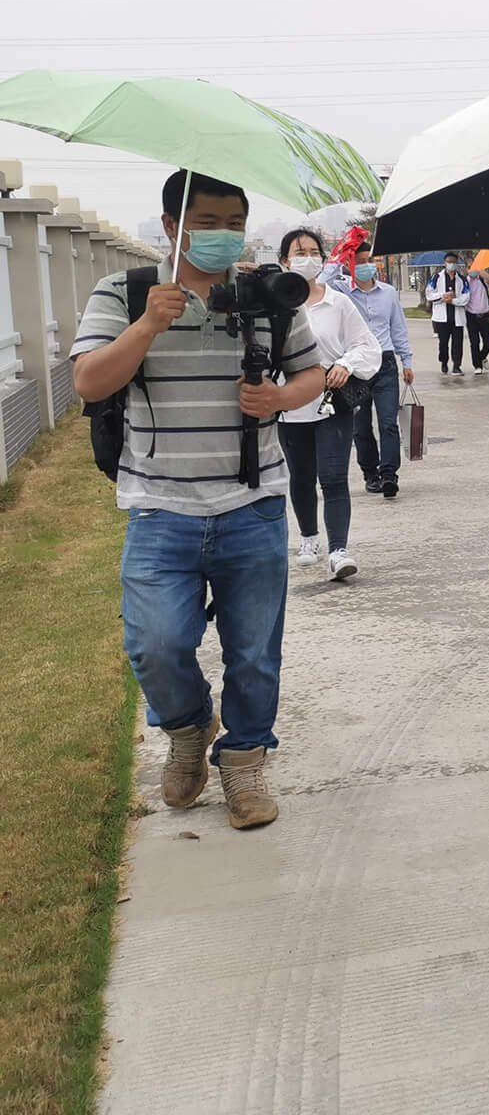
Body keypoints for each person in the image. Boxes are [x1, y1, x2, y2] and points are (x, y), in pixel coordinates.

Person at [71, 170, 324, 831]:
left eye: (231, 223)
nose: (220, 235)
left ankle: (242, 759)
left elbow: (312, 373)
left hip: (254, 504)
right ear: (170, 227)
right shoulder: (123, 293)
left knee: (254, 652)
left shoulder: (268, 296)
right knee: (155, 643)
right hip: (159, 508)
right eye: (205, 222)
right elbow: (90, 379)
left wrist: (279, 399)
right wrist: (149, 326)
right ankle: (187, 728)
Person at [279, 229, 380, 582]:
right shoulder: (276, 307)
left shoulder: (338, 303)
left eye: (313, 251)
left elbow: (367, 347)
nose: (308, 257)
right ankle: (309, 537)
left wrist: (346, 365)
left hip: (331, 405)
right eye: (299, 251)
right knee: (302, 477)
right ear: (284, 262)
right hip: (289, 406)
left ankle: (339, 550)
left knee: (334, 477)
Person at [333, 257, 413, 500]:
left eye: (369, 260)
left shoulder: (388, 293)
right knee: (361, 426)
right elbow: (321, 281)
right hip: (356, 367)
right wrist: (339, 257)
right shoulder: (341, 291)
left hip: (385, 363)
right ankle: (370, 473)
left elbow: (398, 327)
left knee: (388, 421)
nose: (366, 265)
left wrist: (406, 361)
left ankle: (389, 473)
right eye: (359, 261)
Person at [426, 254, 468, 374]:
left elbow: (466, 296)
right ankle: (444, 362)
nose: (452, 264)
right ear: (444, 262)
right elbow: (429, 294)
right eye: (449, 261)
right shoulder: (436, 277)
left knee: (458, 343)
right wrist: (443, 296)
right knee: (443, 343)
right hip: (441, 317)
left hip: (457, 317)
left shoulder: (462, 279)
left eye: (454, 262)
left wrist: (453, 300)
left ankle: (456, 366)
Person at [464, 266, 489, 370]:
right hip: (471, 315)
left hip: (485, 315)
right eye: (470, 268)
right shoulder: (465, 282)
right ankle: (477, 366)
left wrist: (479, 269)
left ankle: (482, 357)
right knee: (474, 342)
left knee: (488, 341)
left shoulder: (482, 279)